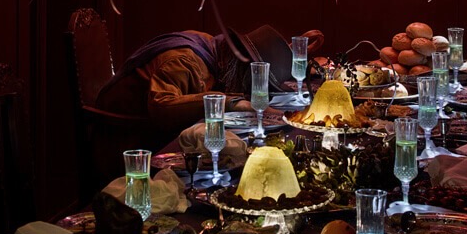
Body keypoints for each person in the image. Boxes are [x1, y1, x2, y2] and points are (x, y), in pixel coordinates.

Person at [96, 25, 324, 144]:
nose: (246, 90)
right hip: (125, 137)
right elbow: (161, 107)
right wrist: (228, 102)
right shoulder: (184, 62)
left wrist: (284, 57)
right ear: (238, 65)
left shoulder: (213, 50)